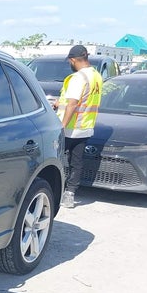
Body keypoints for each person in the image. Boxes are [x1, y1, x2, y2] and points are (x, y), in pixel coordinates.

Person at [54, 45, 103, 208]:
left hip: (70, 128)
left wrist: (61, 126)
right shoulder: (96, 76)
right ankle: (70, 194)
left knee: (56, 159)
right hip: (85, 126)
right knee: (77, 161)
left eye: (70, 61)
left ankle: (55, 190)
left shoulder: (78, 78)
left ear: (73, 60)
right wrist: (59, 103)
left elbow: (73, 104)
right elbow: (83, 100)